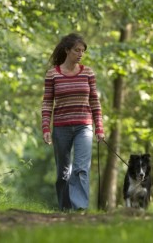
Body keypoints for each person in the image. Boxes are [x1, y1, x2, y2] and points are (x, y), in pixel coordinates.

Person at [41, 33, 105, 212]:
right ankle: (65, 209)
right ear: (67, 50)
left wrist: (99, 127)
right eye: (77, 50)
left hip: (84, 127)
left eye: (83, 51)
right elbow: (47, 102)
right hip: (61, 128)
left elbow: (94, 101)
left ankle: (79, 209)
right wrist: (46, 126)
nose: (80, 54)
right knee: (63, 173)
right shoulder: (53, 74)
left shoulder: (88, 72)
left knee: (81, 168)